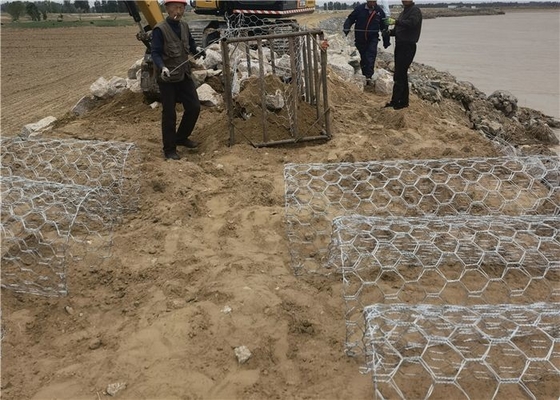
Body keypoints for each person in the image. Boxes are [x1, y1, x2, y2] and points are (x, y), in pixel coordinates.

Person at [151, 0, 203, 160]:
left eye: (181, 8)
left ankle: (181, 137)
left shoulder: (184, 26)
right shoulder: (160, 29)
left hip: (184, 74)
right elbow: (155, 52)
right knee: (169, 114)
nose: (178, 11)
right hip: (167, 78)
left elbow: (191, 43)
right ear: (167, 8)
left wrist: (197, 50)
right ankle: (169, 149)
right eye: (175, 7)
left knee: (194, 107)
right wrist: (162, 67)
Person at [383, 0, 422, 110]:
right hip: (400, 46)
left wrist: (395, 22)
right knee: (400, 74)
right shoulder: (403, 12)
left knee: (400, 74)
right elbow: (398, 30)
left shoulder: (415, 11)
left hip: (408, 46)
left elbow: (411, 23)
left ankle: (398, 102)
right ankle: (401, 101)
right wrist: (389, 33)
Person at [343, 0, 390, 86]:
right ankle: (364, 75)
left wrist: (386, 42)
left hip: (373, 38)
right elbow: (350, 19)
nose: (372, 3)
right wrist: (346, 28)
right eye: (371, 2)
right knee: (363, 58)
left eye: (374, 2)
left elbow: (384, 27)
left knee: (371, 56)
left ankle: (369, 76)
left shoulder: (379, 11)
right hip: (360, 39)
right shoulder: (359, 9)